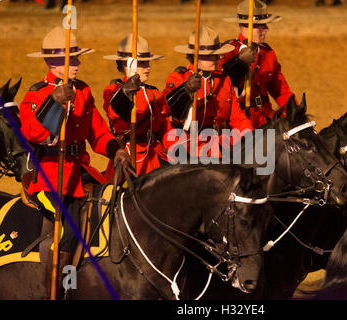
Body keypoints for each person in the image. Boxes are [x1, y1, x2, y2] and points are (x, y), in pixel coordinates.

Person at [19, 26, 130, 297]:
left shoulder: (83, 92)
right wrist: (53, 103)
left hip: (81, 172)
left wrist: (115, 148)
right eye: (73, 59)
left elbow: (98, 132)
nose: (78, 64)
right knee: (69, 231)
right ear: (54, 62)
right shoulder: (35, 95)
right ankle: (59, 290)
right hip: (49, 177)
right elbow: (32, 134)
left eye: (78, 58)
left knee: (114, 206)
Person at [162, 25, 253, 158]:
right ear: (196, 56)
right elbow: (165, 109)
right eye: (211, 56)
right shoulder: (179, 78)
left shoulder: (223, 80)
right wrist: (186, 90)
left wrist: (249, 135)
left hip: (219, 143)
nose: (217, 59)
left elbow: (237, 117)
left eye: (217, 54)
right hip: (187, 145)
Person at [102, 34, 174, 178]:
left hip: (154, 157)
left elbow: (166, 130)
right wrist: (126, 91)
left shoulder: (154, 93)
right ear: (126, 65)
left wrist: (180, 151)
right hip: (128, 157)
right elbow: (114, 112)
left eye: (147, 62)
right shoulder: (114, 90)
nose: (147, 67)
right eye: (141, 63)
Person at [220, 0, 298, 128]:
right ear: (247, 26)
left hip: (266, 120)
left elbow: (281, 93)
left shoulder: (268, 54)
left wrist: (296, 113)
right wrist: (239, 63)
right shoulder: (228, 52)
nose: (267, 29)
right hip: (237, 123)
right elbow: (221, 87)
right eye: (261, 26)